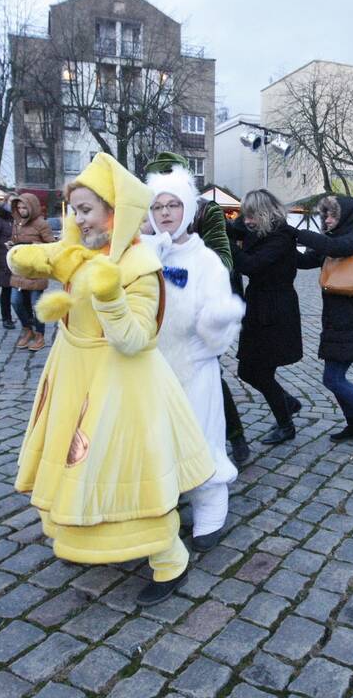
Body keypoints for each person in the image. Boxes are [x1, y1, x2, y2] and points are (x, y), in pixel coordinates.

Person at [6, 152, 215, 606]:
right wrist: (24, 257)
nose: (78, 219)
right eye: (74, 210)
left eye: (86, 210)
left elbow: (137, 338)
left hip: (122, 389)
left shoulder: (139, 265)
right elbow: (44, 257)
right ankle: (85, 539)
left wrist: (110, 297)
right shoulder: (81, 250)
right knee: (77, 467)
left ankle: (169, 560)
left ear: (116, 212)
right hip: (74, 376)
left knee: (122, 471)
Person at [141, 165, 244, 552]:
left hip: (193, 367)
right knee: (153, 441)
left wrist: (218, 319)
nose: (166, 212)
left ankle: (211, 504)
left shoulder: (206, 262)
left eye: (173, 205)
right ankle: (156, 504)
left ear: (187, 209)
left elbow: (218, 334)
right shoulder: (140, 253)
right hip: (148, 367)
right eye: (158, 206)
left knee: (201, 438)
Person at [145, 151, 250, 465]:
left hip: (201, 304)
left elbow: (223, 257)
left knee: (206, 377)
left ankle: (233, 438)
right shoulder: (146, 214)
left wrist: (189, 267)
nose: (165, 209)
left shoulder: (207, 210)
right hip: (158, 317)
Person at [285, 196, 353, 443]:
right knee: (334, 378)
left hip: (352, 321)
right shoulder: (329, 241)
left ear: (346, 217)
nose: (328, 220)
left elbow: (336, 249)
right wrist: (279, 244)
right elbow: (305, 261)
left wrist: (296, 233)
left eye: (333, 215)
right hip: (333, 321)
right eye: (325, 215)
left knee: (332, 378)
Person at [228, 190, 304, 445]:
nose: (246, 221)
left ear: (264, 213)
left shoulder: (281, 236)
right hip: (259, 307)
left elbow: (251, 265)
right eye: (245, 215)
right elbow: (234, 228)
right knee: (248, 370)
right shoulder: (260, 230)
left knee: (259, 371)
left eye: (251, 215)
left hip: (275, 311)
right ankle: (287, 403)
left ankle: (286, 425)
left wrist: (227, 245)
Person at [10, 193, 55, 351]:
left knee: (36, 306)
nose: (22, 210)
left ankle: (39, 335)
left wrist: (37, 246)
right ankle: (27, 329)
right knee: (16, 301)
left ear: (32, 207)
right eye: (19, 207)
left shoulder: (41, 224)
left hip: (36, 271)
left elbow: (52, 245)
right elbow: (15, 241)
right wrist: (12, 246)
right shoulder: (16, 223)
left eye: (24, 207)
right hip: (19, 270)